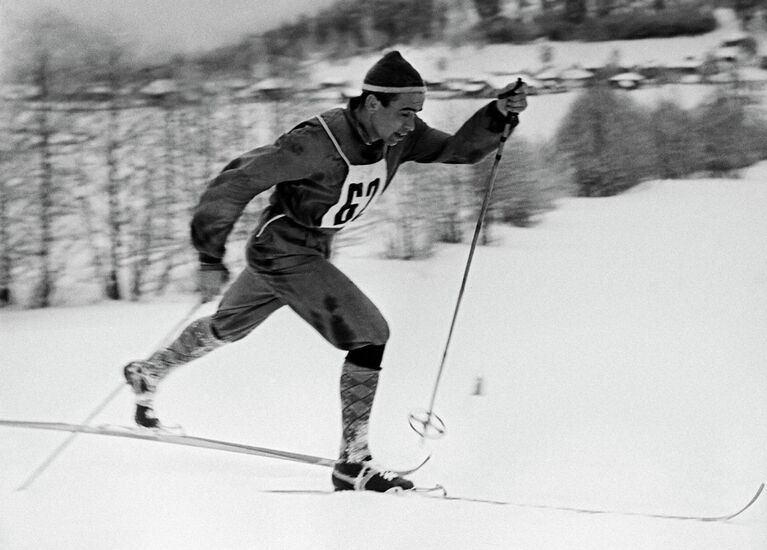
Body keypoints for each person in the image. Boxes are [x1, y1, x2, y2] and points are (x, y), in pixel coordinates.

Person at [123, 51, 527, 492]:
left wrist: (496, 115)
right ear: (373, 104)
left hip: (303, 248)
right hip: (283, 252)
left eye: (417, 113)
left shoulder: (399, 137)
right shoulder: (317, 142)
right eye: (405, 112)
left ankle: (150, 372)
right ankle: (353, 463)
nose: (412, 124)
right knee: (370, 334)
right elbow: (236, 180)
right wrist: (208, 256)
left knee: (227, 327)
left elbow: (457, 151)